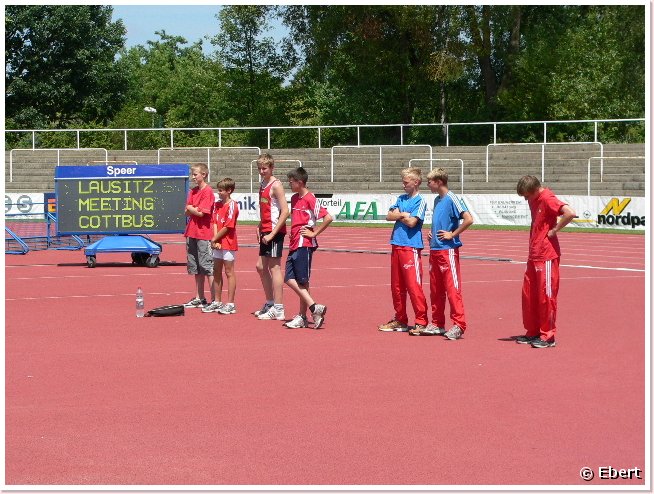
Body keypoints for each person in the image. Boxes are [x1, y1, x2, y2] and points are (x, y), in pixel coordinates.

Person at [411, 168, 473, 340]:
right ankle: (437, 323)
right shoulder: (437, 200)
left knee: (452, 289)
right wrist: (432, 233)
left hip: (448, 251)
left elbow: (468, 219)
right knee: (436, 289)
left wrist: (452, 234)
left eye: (430, 182)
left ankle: (459, 324)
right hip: (435, 250)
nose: (428, 184)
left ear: (439, 182)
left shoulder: (452, 198)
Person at [515, 175, 576, 348]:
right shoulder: (533, 199)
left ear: (535, 190)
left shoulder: (548, 198)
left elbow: (570, 213)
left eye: (527, 195)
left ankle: (548, 336)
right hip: (534, 254)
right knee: (529, 296)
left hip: (546, 255)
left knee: (546, 297)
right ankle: (533, 331)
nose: (526, 199)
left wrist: (555, 230)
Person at [379, 167, 429, 333]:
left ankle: (421, 321)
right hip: (396, 244)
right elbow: (389, 216)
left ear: (416, 182)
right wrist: (402, 215)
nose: (403, 185)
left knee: (413, 286)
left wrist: (399, 214)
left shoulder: (420, 201)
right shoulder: (400, 198)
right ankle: (400, 319)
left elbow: (412, 222)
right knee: (397, 286)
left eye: (406, 182)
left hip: (410, 246)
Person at [282, 167, 332, 329]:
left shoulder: (310, 198)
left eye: (291, 182)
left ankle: (303, 315)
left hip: (304, 244)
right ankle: (314, 307)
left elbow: (328, 217)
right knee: (289, 278)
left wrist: (314, 233)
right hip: (294, 242)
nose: (289, 184)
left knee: (302, 280)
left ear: (300, 182)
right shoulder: (294, 198)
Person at [255, 153, 290, 321]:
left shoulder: (276, 185)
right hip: (265, 229)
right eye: (260, 168)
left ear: (272, 168)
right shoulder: (262, 184)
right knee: (260, 267)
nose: (262, 171)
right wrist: (259, 226)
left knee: (274, 267)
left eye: (265, 168)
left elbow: (285, 211)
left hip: (274, 232)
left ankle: (279, 308)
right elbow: (266, 209)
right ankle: (270, 303)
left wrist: (272, 233)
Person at [202, 178, 239, 315]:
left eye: (221, 190)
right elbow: (214, 222)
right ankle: (217, 301)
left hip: (228, 242)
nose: (219, 193)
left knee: (229, 272)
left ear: (229, 191)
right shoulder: (217, 205)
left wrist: (214, 238)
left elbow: (228, 226)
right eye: (218, 190)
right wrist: (215, 240)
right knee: (216, 271)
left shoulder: (233, 205)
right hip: (218, 242)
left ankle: (230, 303)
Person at [183, 163, 215, 308]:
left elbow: (202, 213)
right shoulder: (193, 191)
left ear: (204, 174)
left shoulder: (208, 191)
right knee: (195, 267)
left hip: (204, 233)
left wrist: (192, 208)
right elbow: (187, 211)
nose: (193, 177)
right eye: (193, 174)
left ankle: (214, 299)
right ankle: (199, 297)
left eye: (195, 174)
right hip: (192, 232)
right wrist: (192, 208)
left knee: (207, 266)